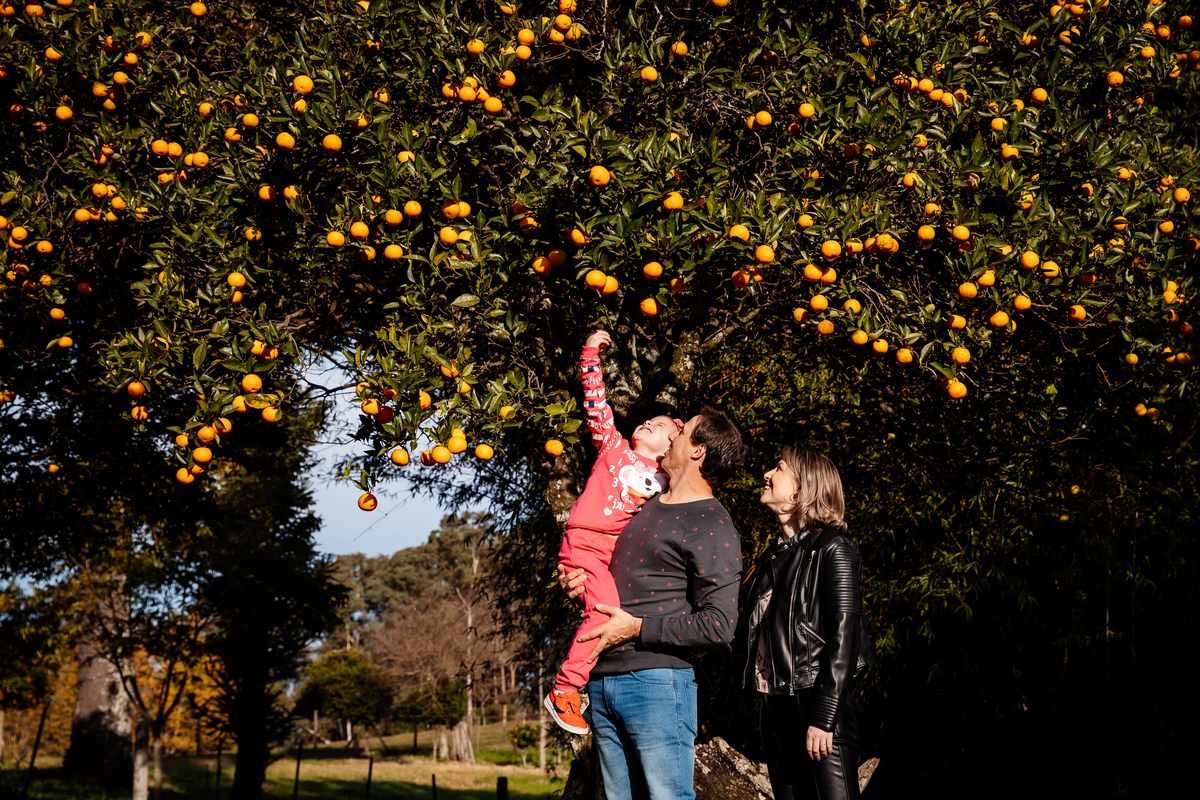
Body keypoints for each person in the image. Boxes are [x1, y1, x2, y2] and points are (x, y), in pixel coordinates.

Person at [560, 405, 749, 800]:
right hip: (603, 679)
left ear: (697, 451)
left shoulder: (712, 523)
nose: (673, 435)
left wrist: (636, 628)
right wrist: (576, 582)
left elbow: (719, 626)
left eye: (683, 431)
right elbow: (610, 578)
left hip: (657, 684)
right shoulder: (644, 505)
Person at [543, 329, 685, 736]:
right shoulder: (614, 447)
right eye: (649, 419)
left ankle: (584, 687)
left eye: (659, 426)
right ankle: (565, 689)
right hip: (585, 543)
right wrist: (590, 355)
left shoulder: (667, 482)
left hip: (610, 557)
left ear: (671, 447)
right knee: (604, 612)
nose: (647, 422)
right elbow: (596, 403)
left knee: (608, 611)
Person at [738, 446, 873, 800]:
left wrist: (824, 716)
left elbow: (846, 636)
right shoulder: (771, 558)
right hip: (775, 715)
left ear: (802, 489)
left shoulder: (834, 548)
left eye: (779, 468)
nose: (767, 474)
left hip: (818, 710)